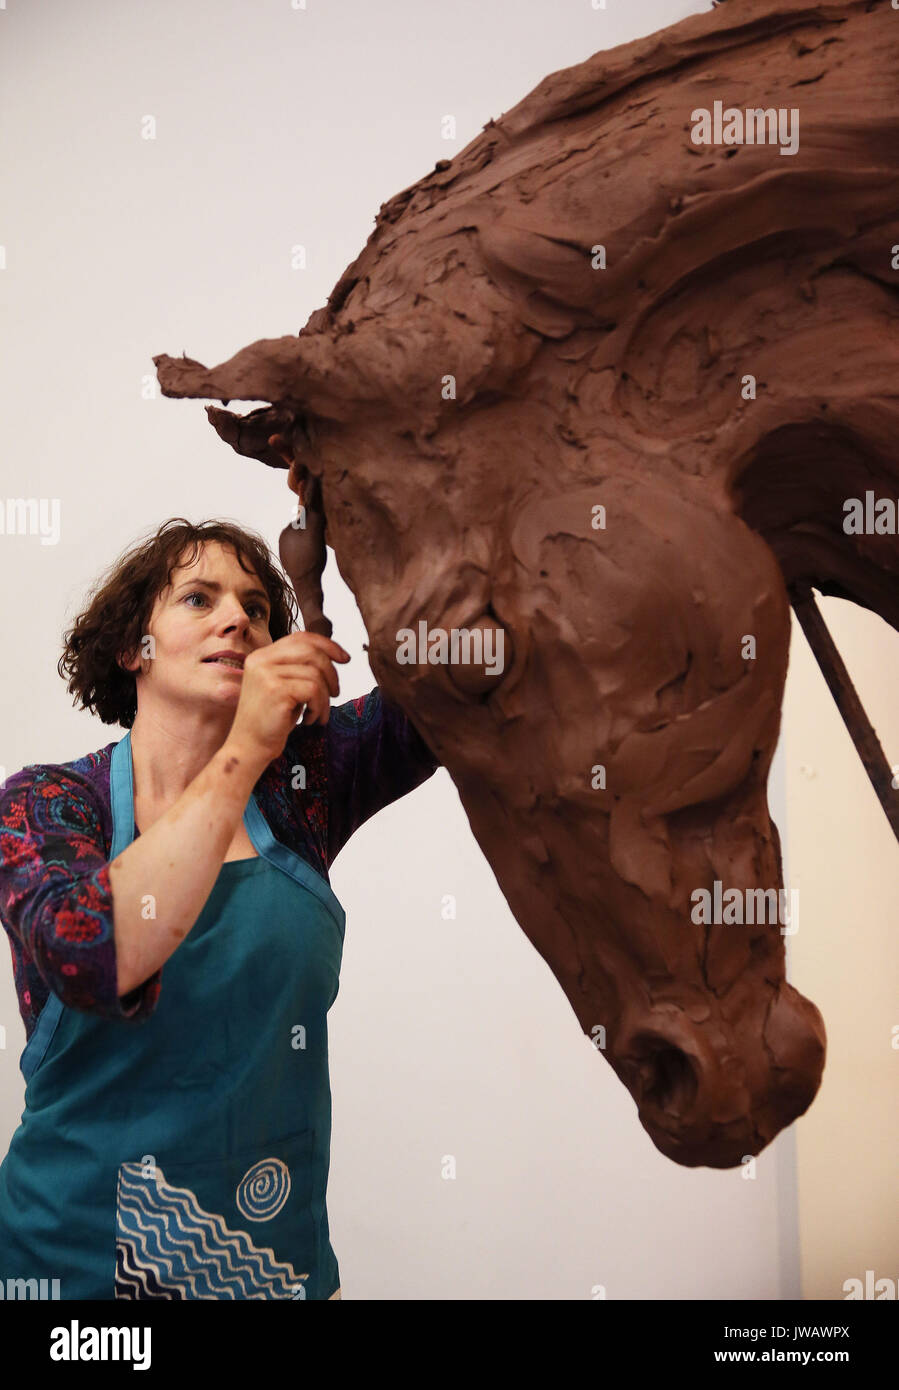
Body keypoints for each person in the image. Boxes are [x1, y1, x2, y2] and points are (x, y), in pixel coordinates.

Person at [0, 517, 440, 1300]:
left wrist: (370, 512)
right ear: (132, 649)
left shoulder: (303, 790)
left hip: (272, 1272)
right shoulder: (49, 805)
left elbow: (446, 685)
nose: (238, 617)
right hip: (71, 1282)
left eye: (257, 607)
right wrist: (245, 750)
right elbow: (96, 954)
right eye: (199, 600)